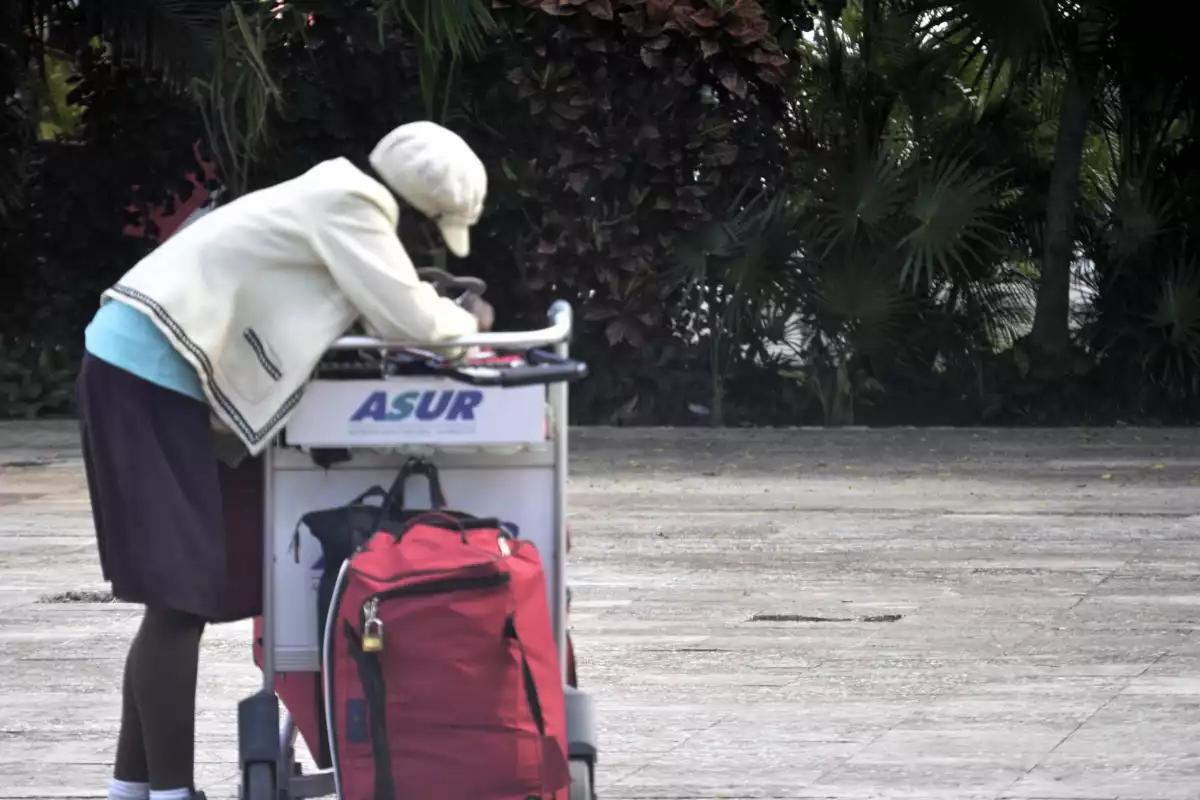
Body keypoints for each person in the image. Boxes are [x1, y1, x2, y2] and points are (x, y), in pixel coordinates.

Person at [77, 121, 494, 800]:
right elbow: (411, 322)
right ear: (416, 211)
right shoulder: (350, 206)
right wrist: (470, 322)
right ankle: (171, 794)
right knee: (180, 599)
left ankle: (133, 789)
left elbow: (362, 300)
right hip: (147, 372)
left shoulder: (335, 197)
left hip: (146, 368)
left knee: (173, 600)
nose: (420, 245)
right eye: (429, 231)